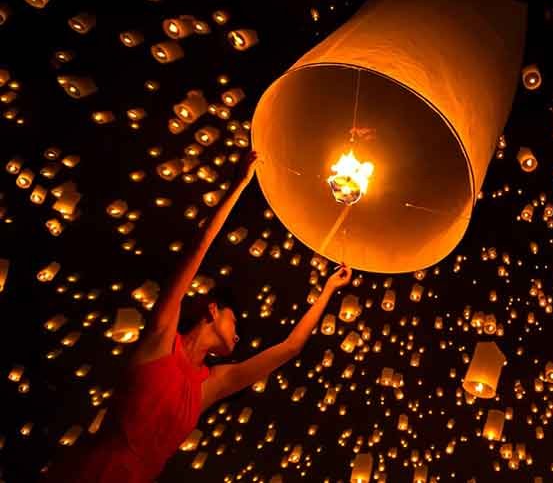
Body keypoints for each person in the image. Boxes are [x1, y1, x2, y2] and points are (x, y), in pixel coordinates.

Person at [42, 150, 353, 482]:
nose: (238, 335)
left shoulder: (211, 385)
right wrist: (237, 186)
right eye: (235, 323)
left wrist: (329, 290)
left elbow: (291, 347)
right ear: (212, 310)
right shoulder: (161, 339)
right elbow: (199, 247)